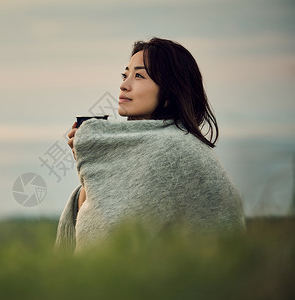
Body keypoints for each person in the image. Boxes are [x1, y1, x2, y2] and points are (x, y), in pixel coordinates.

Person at [54, 37, 246, 254]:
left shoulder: (176, 151)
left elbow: (112, 239)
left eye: (139, 76)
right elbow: (100, 212)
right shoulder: (147, 149)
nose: (124, 85)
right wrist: (90, 168)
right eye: (125, 75)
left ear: (168, 94)